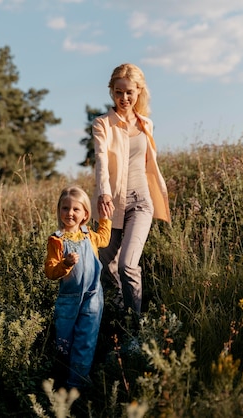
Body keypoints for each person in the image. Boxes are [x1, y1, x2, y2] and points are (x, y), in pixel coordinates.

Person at [92, 63, 171, 323]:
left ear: (139, 91)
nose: (124, 98)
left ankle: (135, 328)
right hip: (110, 205)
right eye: (118, 92)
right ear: (111, 92)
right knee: (105, 266)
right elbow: (102, 160)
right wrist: (104, 194)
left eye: (129, 92)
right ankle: (118, 319)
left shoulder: (146, 124)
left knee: (127, 264)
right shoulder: (102, 124)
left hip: (140, 203)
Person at [44, 186, 111, 390]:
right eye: (65, 208)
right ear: (59, 210)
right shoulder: (56, 240)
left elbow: (105, 239)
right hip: (68, 299)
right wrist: (65, 264)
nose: (70, 213)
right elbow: (50, 271)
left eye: (75, 209)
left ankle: (77, 383)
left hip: (92, 297)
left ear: (85, 215)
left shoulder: (89, 235)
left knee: (86, 339)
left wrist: (106, 219)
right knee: (64, 341)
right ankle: (61, 378)